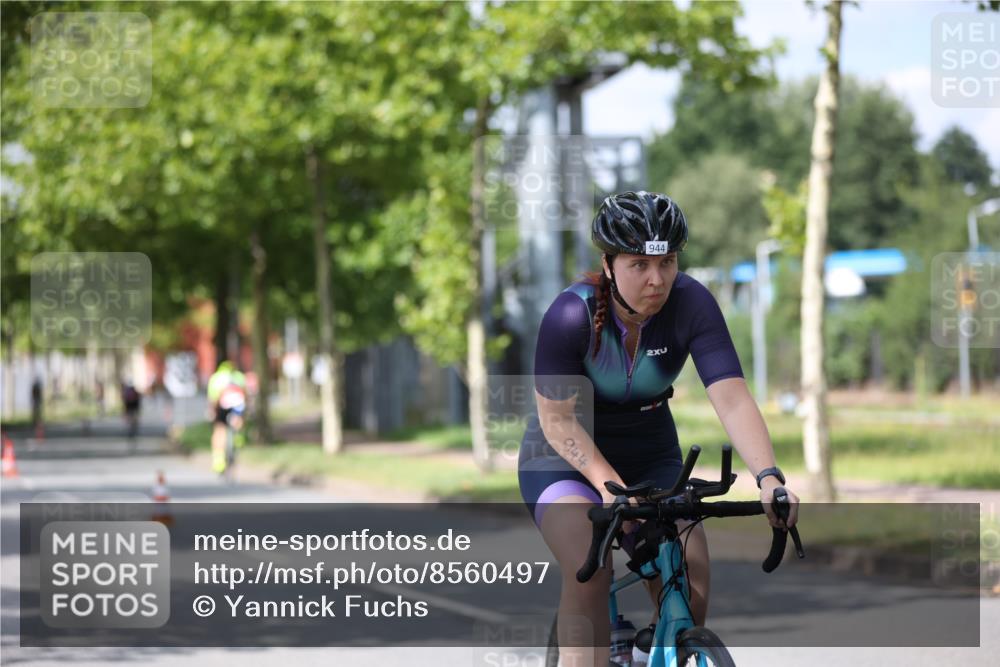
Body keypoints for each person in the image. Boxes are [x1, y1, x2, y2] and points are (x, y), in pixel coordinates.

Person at [517, 191, 800, 666]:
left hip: (651, 452)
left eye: (667, 262)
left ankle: (663, 647)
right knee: (591, 566)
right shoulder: (571, 315)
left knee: (691, 572)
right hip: (563, 457)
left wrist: (770, 477)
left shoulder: (692, 304)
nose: (657, 279)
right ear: (608, 265)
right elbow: (557, 420)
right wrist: (612, 492)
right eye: (639, 265)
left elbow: (731, 399)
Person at [207, 360, 247, 474]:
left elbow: (213, 398)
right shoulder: (239, 376)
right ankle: (238, 437)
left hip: (222, 406)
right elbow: (245, 394)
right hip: (238, 405)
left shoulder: (215, 378)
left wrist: (212, 413)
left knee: (219, 430)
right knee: (238, 421)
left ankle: (218, 461)